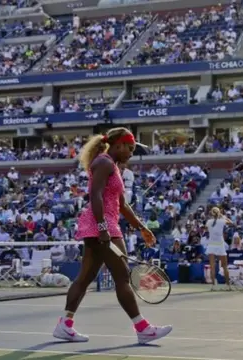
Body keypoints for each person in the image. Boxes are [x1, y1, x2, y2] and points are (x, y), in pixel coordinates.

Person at [52, 127, 172, 344]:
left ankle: (65, 324)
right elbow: (94, 195)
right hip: (102, 226)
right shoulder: (104, 163)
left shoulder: (112, 166)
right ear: (119, 145)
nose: (132, 153)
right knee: (122, 278)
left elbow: (122, 204)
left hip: (102, 225)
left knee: (85, 278)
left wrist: (141, 227)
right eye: (130, 148)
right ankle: (142, 328)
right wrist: (102, 228)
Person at [206, 207, 233, 291]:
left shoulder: (209, 222)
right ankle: (228, 285)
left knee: (212, 266)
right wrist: (223, 216)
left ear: (211, 214)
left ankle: (214, 286)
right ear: (218, 213)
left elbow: (209, 228)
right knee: (225, 266)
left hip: (211, 245)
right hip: (220, 245)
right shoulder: (222, 221)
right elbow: (231, 223)